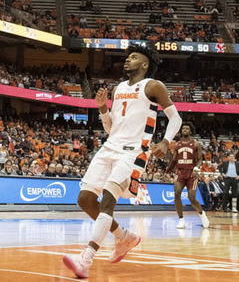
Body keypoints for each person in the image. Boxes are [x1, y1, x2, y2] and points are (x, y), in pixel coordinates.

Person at [63, 44, 182, 279]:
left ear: (145, 64)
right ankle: (123, 237)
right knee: (85, 199)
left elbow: (175, 117)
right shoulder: (118, 88)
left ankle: (85, 259)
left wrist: (166, 141)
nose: (128, 60)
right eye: (128, 57)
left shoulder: (152, 86)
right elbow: (110, 128)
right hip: (110, 147)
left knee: (108, 200)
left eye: (134, 57)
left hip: (133, 152)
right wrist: (102, 109)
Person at [166, 122, 209, 228]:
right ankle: (181, 220)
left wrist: (196, 168)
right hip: (180, 172)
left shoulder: (196, 144)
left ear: (190, 131)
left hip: (191, 173)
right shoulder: (177, 145)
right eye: (183, 129)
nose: (184, 130)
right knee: (177, 193)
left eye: (187, 129)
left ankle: (201, 213)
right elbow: (174, 161)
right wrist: (166, 172)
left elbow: (199, 160)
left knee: (191, 198)